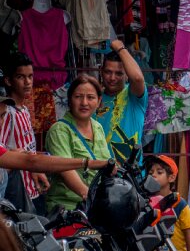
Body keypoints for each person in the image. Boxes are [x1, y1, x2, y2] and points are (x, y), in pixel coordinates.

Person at [45, 75, 113, 211]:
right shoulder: (59, 130)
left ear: (99, 101)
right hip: (68, 209)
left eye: (91, 97)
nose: (84, 103)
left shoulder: (97, 127)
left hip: (94, 207)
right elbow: (66, 170)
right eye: (78, 97)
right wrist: (90, 196)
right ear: (70, 99)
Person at [0, 53, 47, 212]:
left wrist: (37, 169)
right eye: (21, 77)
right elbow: (3, 153)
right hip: (18, 195)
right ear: (8, 80)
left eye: (30, 76)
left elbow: (29, 147)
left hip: (34, 189)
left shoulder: (25, 110)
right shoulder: (7, 113)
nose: (27, 82)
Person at [96, 38, 147, 162]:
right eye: (108, 72)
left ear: (126, 75)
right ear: (101, 72)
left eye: (119, 73)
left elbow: (138, 78)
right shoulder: (93, 98)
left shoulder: (133, 95)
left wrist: (121, 48)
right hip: (98, 172)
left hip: (130, 175)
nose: (112, 78)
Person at [145, 154, 190, 251]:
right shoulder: (147, 203)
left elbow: (189, 234)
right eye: (150, 173)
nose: (153, 175)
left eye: (159, 172)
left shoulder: (179, 204)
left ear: (171, 177)